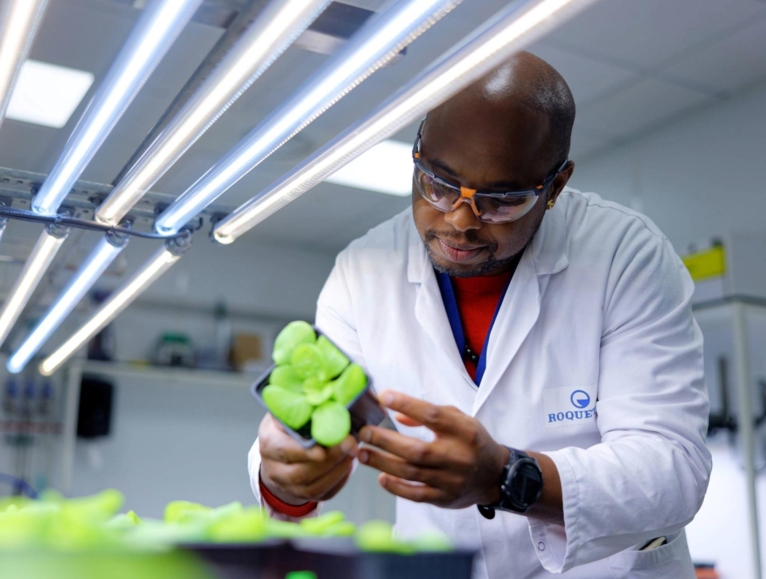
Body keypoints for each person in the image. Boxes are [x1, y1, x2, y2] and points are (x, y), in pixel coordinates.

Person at [248, 51, 711, 578]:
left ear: (555, 187)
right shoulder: (362, 271)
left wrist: (507, 477)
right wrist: (284, 475)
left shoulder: (625, 255)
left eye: (501, 200)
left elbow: (673, 470)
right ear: (418, 155)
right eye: (439, 185)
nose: (461, 220)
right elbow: (313, 421)